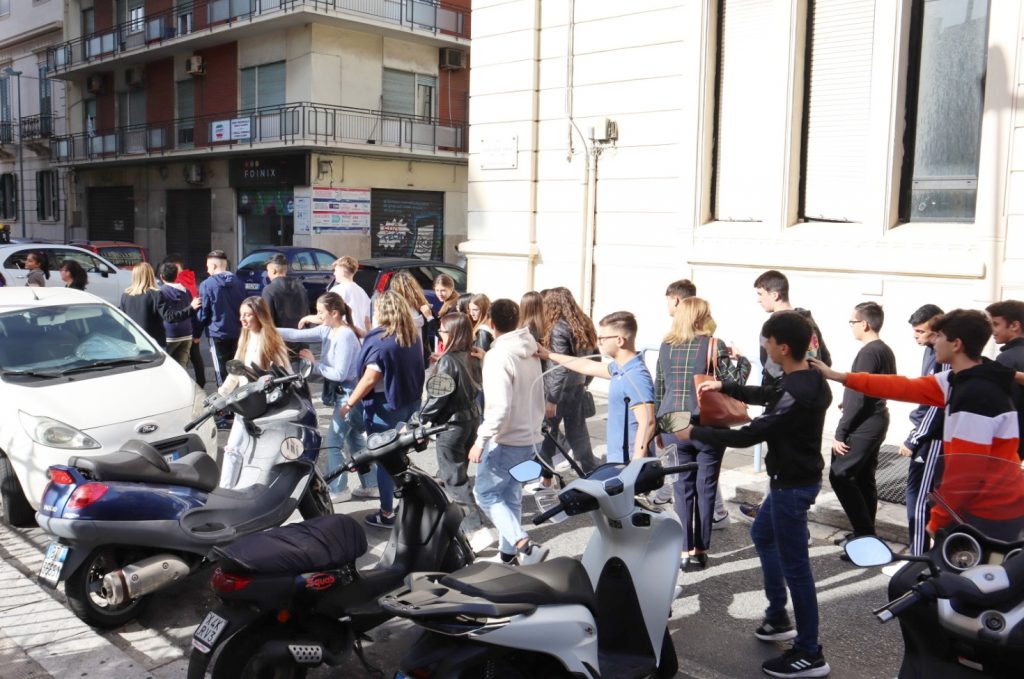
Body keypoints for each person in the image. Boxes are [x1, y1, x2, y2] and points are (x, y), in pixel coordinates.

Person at [678, 310, 833, 678]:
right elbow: (769, 394)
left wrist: (694, 434)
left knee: (798, 569)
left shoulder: (799, 390)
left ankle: (810, 651)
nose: (763, 347)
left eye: (766, 342)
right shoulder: (805, 377)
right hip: (792, 480)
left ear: (781, 347)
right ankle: (778, 616)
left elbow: (750, 434)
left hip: (792, 487)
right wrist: (725, 387)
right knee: (762, 534)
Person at [810, 309, 1022, 539]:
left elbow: (965, 472)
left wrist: (936, 522)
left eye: (939, 336)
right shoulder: (958, 379)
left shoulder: (974, 395)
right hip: (983, 508)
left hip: (989, 512)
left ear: (956, 344)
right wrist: (839, 376)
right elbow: (902, 386)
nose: (933, 341)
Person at [656, 297, 750, 570]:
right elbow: (732, 384)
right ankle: (700, 550)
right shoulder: (713, 344)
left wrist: (656, 428)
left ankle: (684, 550)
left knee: (681, 486)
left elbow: (659, 387)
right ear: (701, 318)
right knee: (706, 486)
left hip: (672, 421)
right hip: (707, 423)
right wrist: (741, 360)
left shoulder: (665, 345)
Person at [739, 269, 832, 522]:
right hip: (811, 400)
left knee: (783, 462)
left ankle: (788, 521)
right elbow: (825, 359)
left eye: (760, 294)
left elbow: (772, 369)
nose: (758, 299)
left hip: (785, 401)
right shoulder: (807, 322)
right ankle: (771, 510)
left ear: (775, 293)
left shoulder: (775, 327)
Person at [468, 298, 548, 565]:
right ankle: (508, 555)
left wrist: (481, 440)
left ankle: (524, 545)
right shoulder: (530, 348)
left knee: (486, 494)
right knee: (510, 494)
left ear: (490, 324)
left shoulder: (498, 355)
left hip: (507, 438)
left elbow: (499, 407)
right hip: (530, 437)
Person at [338, 290, 425, 528]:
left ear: (381, 311)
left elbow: (369, 379)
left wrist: (349, 403)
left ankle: (386, 513)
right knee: (400, 456)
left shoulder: (381, 341)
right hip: (408, 404)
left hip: (384, 406)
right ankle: (407, 503)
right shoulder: (410, 335)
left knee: (384, 461)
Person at [278, 292, 373, 503]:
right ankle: (372, 484)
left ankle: (338, 489)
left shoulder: (345, 335)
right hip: (347, 393)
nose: (318, 317)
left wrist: (314, 363)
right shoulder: (330, 329)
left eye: (321, 313)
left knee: (332, 442)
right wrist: (268, 329)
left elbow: (339, 374)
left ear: (335, 313)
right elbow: (295, 335)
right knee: (354, 439)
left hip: (350, 394)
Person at [539, 311, 656, 463]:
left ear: (619, 340)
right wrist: (549, 355)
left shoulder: (636, 376)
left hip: (630, 462)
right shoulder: (619, 368)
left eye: (602, 338)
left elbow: (648, 422)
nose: (599, 342)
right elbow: (587, 365)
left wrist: (636, 463)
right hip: (619, 459)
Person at [421, 312, 493, 552]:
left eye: (442, 330)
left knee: (455, 480)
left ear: (453, 333)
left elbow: (436, 399)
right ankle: (458, 520)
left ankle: (476, 529)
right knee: (456, 474)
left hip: (451, 426)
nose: (439, 334)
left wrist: (419, 422)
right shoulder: (472, 356)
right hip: (472, 420)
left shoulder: (448, 361)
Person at [830, 302, 896, 549]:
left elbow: (859, 392)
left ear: (864, 324)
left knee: (840, 475)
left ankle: (864, 534)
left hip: (865, 424)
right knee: (863, 477)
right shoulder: (884, 350)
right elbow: (873, 389)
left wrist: (840, 432)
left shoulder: (869, 352)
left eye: (852, 322)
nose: (851, 327)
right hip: (876, 419)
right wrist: (846, 403)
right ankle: (865, 534)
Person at [218, 296, 292, 488]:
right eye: (241, 314)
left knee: (258, 453)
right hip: (244, 403)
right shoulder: (245, 336)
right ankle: (225, 491)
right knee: (232, 449)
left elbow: (287, 373)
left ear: (259, 316)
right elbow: (234, 372)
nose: (242, 319)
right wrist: (222, 394)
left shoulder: (272, 339)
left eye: (247, 315)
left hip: (263, 405)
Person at [537, 287, 599, 485]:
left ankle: (546, 479)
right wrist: (584, 381)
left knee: (547, 433)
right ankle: (590, 471)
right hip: (576, 387)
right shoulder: (583, 324)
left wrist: (551, 399)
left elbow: (559, 367)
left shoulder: (557, 327)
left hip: (559, 390)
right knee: (578, 432)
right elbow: (594, 357)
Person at [898, 303, 946, 556]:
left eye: (920, 331)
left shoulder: (944, 357)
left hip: (933, 439)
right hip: (930, 435)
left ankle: (917, 558)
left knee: (918, 500)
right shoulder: (930, 351)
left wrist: (914, 438)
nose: (916, 337)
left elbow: (937, 405)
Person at [198, 250, 247, 386]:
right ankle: (240, 399)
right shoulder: (239, 282)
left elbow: (204, 313)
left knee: (221, 371)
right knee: (237, 368)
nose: (207, 270)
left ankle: (224, 401)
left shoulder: (207, 284)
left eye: (208, 266)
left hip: (217, 332)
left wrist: (196, 332)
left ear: (213, 266)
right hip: (238, 331)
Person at [119, 262, 199, 347]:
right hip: (153, 342)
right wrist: (191, 308)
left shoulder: (125, 295)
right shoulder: (155, 294)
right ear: (150, 275)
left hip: (132, 340)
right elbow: (170, 317)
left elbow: (122, 320)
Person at [986, 299, 1024, 460]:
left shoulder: (1006, 359)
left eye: (995, 324)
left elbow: (1001, 405)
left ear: (1014, 325)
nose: (992, 330)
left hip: (1011, 441)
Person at [164, 254, 205, 387]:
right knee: (195, 357)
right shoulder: (190, 279)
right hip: (190, 325)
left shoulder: (176, 283)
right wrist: (197, 332)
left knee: (178, 361)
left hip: (180, 328)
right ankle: (201, 383)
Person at [261, 253, 310, 360]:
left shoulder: (269, 290)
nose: (267, 274)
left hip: (280, 346)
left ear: (273, 270)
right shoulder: (300, 287)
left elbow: (267, 320)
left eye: (267, 271)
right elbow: (307, 317)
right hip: (300, 343)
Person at [157, 262, 196, 368]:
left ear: (161, 276)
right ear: (177, 276)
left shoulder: (161, 291)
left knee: (165, 366)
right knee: (182, 368)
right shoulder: (186, 291)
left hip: (169, 334)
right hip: (187, 332)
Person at [391, 270, 435, 362]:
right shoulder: (422, 307)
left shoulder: (391, 309)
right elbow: (432, 331)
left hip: (400, 353)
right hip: (418, 354)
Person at [330, 256, 372, 335]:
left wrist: (307, 318)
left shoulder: (337, 290)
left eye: (336, 270)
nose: (334, 273)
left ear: (342, 272)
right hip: (360, 338)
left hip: (344, 336)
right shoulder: (362, 292)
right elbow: (367, 321)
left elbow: (328, 315)